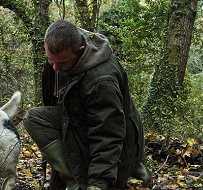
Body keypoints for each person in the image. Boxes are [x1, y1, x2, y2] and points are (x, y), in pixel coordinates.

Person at [23, 20, 153, 190]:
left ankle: (127, 170)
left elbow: (108, 134)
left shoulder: (101, 80)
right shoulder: (58, 59)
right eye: (50, 60)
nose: (55, 68)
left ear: (80, 51)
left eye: (62, 64)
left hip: (118, 141)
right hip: (77, 123)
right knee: (35, 118)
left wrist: (97, 183)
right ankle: (76, 180)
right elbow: (55, 107)